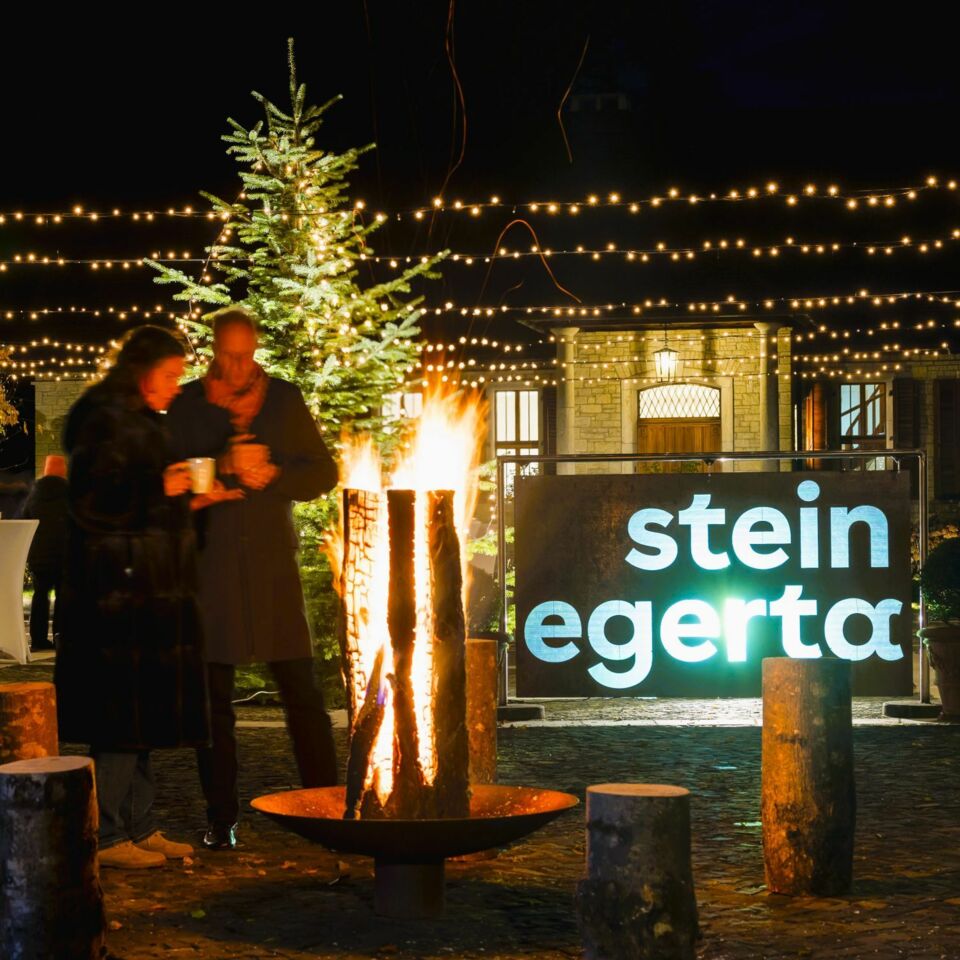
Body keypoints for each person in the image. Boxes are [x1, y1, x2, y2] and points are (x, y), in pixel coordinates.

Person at [56, 325, 238, 870]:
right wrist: (160, 488)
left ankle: (140, 824)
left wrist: (189, 500)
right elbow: (92, 504)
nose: (176, 386)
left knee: (142, 716)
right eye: (169, 375)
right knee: (120, 716)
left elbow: (147, 502)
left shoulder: (143, 421)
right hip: (116, 594)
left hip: (149, 592)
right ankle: (108, 834)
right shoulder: (101, 419)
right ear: (141, 370)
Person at [166, 307, 339, 850]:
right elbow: (165, 483)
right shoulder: (188, 405)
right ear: (214, 350)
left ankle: (326, 806)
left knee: (302, 692)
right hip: (211, 565)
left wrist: (277, 472)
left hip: (270, 566)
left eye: (246, 356)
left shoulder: (283, 400)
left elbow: (324, 472)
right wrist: (221, 465)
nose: (239, 368)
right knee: (212, 700)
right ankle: (221, 819)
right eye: (229, 356)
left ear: (257, 349)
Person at [19, 455, 69, 651]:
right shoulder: (70, 494)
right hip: (64, 554)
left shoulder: (34, 495)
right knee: (63, 596)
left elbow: (25, 520)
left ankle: (38, 639)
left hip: (39, 556)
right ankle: (59, 636)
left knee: (40, 594)